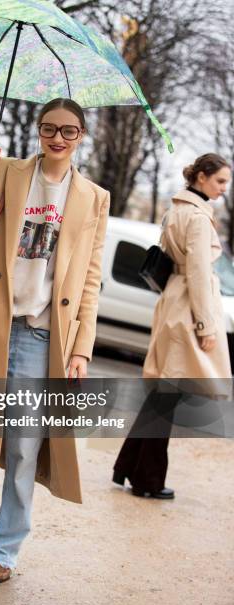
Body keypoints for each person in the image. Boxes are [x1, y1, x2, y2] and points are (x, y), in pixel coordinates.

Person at [0, 98, 110, 584]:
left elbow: (91, 279)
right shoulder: (9, 172)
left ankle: (5, 551)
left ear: (81, 135)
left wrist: (81, 349)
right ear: (38, 130)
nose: (58, 137)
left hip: (42, 336)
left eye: (69, 131)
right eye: (49, 128)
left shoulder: (93, 198)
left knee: (23, 451)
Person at [113, 153, 232, 499]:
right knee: (166, 396)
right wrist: (206, 326)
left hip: (173, 302)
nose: (224, 188)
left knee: (161, 395)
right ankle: (146, 480)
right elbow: (196, 272)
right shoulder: (195, 217)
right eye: (220, 181)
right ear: (202, 177)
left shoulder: (177, 210)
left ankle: (127, 468)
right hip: (187, 308)